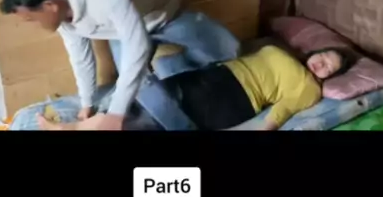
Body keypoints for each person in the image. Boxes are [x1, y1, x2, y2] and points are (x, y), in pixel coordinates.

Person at [0, 0, 241, 131]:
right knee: (141, 86)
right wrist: (87, 104)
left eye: (31, 19)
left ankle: (168, 67)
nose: (34, 25)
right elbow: (81, 58)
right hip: (121, 33)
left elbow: (137, 44)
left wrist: (116, 115)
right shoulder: (61, 16)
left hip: (164, 16)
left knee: (231, 51)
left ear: (50, 5)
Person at [36, 44, 354, 132]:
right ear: (316, 51)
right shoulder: (277, 49)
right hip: (215, 76)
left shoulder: (310, 87)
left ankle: (76, 129)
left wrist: (263, 129)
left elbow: (284, 110)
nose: (322, 64)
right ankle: (81, 127)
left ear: (330, 77)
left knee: (158, 113)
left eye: (330, 68)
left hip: (235, 99)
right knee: (146, 97)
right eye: (324, 56)